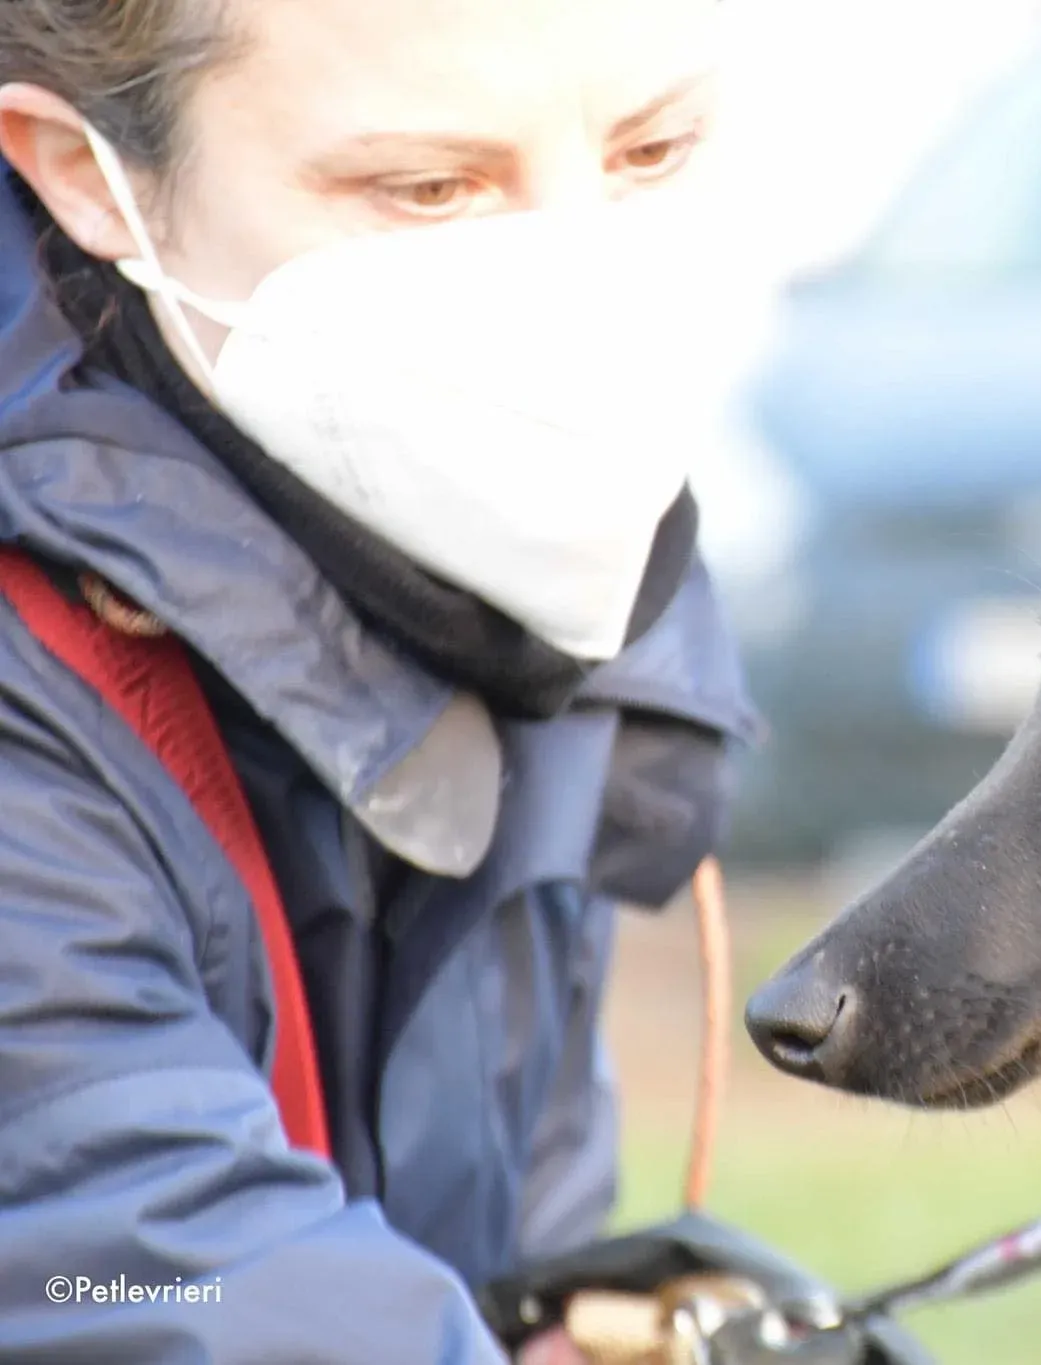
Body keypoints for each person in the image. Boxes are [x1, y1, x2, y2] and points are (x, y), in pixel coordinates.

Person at [0, 0, 757, 1361]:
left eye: (651, 153)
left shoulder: (511, 541)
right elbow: (117, 1285)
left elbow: (478, 1260)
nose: (585, 282)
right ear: (80, 173)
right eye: (430, 188)